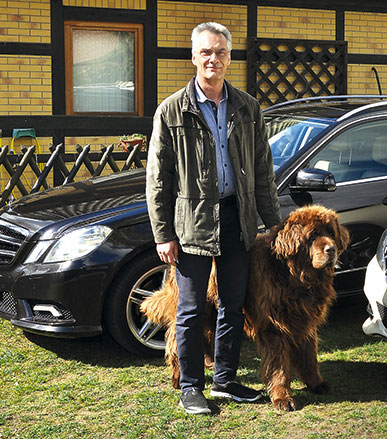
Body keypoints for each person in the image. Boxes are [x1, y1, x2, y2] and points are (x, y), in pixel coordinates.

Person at [146, 21, 281, 415]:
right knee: (189, 310)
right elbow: (158, 179)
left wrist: (272, 222)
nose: (213, 59)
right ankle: (191, 386)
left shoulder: (248, 107)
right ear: (193, 57)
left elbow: (262, 168)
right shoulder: (172, 110)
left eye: (220, 52)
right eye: (206, 52)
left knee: (233, 305)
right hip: (191, 224)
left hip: (238, 220)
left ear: (229, 58)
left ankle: (225, 380)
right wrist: (163, 233)